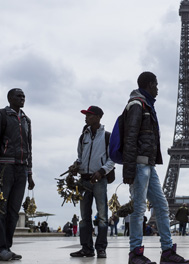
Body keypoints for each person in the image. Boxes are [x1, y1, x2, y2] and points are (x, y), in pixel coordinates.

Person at [121, 72, 189, 264]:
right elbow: (130, 138)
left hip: (149, 165)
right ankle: (135, 253)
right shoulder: (137, 105)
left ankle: (167, 252)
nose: (158, 88)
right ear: (149, 85)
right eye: (156, 85)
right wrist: (128, 169)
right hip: (139, 164)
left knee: (161, 206)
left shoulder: (147, 105)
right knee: (138, 209)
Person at [0, 88, 35, 261]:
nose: (22, 98)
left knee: (14, 211)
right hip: (4, 168)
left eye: (24, 96)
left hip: (21, 169)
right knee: (1, 209)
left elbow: (29, 148)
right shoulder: (1, 115)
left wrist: (30, 173)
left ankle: (7, 247)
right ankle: (0, 249)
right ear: (9, 98)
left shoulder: (26, 120)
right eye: (19, 96)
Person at [68, 105, 115, 259]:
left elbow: (112, 159)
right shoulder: (83, 137)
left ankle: (101, 248)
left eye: (89, 115)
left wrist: (101, 172)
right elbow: (80, 157)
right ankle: (86, 248)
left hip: (99, 181)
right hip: (84, 180)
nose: (86, 117)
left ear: (98, 117)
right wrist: (75, 166)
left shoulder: (107, 136)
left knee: (102, 216)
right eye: (86, 115)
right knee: (84, 217)